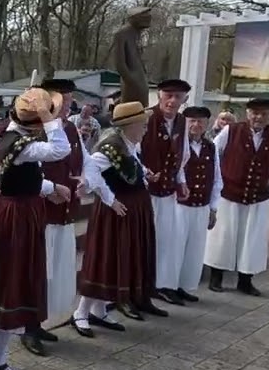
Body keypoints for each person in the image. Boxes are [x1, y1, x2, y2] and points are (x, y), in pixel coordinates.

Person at [0, 87, 70, 370]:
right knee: (13, 283)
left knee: (3, 283)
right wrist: (46, 115)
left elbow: (25, 179)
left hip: (14, 212)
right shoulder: (21, 144)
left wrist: (52, 189)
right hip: (17, 218)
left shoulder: (11, 139)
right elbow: (60, 149)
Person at [204, 98, 269, 296]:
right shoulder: (231, 131)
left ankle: (245, 280)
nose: (259, 117)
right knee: (223, 235)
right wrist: (217, 178)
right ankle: (216, 277)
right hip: (229, 192)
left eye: (264, 113)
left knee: (253, 239)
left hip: (258, 195)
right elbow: (213, 152)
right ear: (247, 113)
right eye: (255, 113)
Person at [71, 102, 154, 337]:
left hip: (131, 208)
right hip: (115, 212)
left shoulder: (129, 145)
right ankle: (81, 312)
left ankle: (98, 310)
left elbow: (132, 166)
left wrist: (145, 174)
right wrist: (110, 199)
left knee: (115, 260)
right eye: (143, 125)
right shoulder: (109, 148)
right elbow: (92, 174)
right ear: (130, 125)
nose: (146, 129)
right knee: (104, 258)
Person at [25, 77, 88, 354]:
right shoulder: (33, 129)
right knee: (37, 272)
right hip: (40, 215)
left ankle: (38, 323)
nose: (67, 104)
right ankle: (27, 327)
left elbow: (85, 161)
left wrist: (86, 179)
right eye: (62, 98)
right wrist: (46, 189)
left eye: (70, 98)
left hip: (64, 214)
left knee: (53, 274)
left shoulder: (72, 129)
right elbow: (22, 172)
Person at [139, 79, 191, 312]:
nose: (172, 101)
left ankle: (155, 287)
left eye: (177, 97)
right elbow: (131, 151)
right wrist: (143, 173)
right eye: (168, 95)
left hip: (167, 190)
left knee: (164, 239)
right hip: (144, 190)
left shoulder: (181, 122)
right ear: (159, 95)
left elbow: (183, 155)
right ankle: (133, 291)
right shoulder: (145, 117)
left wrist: (181, 181)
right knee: (142, 240)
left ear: (184, 100)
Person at [169, 106, 221, 302]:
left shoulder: (210, 146)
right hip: (180, 205)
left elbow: (217, 177)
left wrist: (213, 207)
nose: (196, 125)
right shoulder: (176, 144)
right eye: (192, 120)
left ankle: (184, 285)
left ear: (207, 124)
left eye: (200, 121)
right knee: (175, 247)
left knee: (195, 249)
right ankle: (168, 286)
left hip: (201, 205)